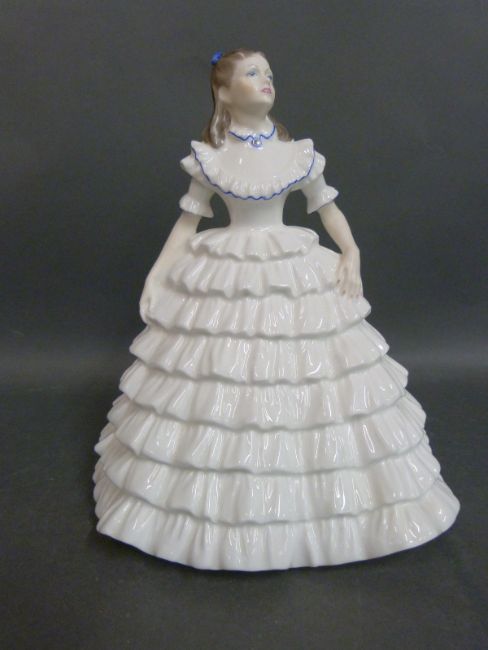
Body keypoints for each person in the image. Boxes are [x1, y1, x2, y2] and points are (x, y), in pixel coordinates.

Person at [93, 48, 460, 571]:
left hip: (291, 267)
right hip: (229, 271)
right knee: (221, 378)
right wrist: (156, 275)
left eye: (268, 73)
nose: (265, 80)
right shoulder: (211, 157)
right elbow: (187, 222)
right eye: (251, 73)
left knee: (311, 376)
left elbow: (327, 208)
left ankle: (321, 513)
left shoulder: (299, 154)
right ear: (223, 91)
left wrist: (351, 252)